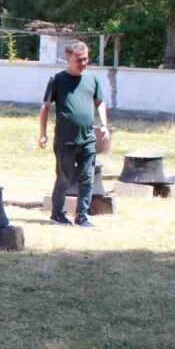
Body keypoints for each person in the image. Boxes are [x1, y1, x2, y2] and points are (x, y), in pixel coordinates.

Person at [38, 40, 110, 227]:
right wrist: (43, 133)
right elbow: (45, 107)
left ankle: (82, 217)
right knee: (64, 178)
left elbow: (99, 102)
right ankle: (57, 215)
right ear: (68, 59)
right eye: (79, 60)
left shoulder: (92, 79)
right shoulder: (57, 80)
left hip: (87, 139)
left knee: (87, 179)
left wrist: (103, 124)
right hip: (65, 141)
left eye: (86, 59)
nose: (84, 63)